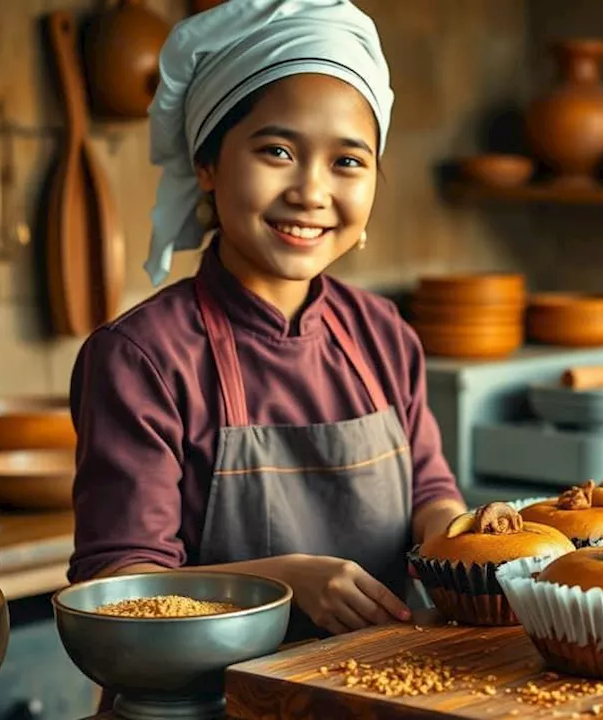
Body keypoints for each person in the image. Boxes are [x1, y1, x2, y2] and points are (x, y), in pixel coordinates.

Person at [66, 0, 466, 643]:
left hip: (380, 688)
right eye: (277, 150)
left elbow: (429, 488)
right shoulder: (141, 358)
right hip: (200, 703)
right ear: (207, 164)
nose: (311, 190)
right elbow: (119, 586)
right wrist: (281, 584)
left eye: (348, 161)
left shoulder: (383, 332)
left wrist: (458, 531)